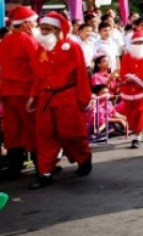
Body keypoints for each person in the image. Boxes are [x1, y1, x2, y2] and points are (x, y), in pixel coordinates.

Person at [27, 12, 93, 188]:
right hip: (45, 98)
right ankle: (45, 173)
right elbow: (37, 76)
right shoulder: (41, 47)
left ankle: (84, 157)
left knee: (71, 134)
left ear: (58, 30)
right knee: (44, 136)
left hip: (68, 98)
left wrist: (84, 98)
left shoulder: (72, 47)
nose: (44, 32)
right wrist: (33, 96)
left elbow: (81, 74)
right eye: (42, 28)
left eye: (47, 29)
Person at [0, 7, 41, 181]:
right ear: (25, 24)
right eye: (34, 21)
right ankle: (42, 167)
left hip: (8, 92)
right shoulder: (29, 41)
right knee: (34, 129)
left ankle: (14, 167)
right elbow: (37, 69)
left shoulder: (4, 42)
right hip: (25, 92)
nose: (36, 24)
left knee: (13, 130)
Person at [117, 29, 143, 149]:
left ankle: (136, 138)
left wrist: (134, 79)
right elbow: (124, 71)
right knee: (131, 112)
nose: (139, 45)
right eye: (137, 42)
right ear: (132, 43)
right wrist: (129, 78)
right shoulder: (126, 56)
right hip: (128, 89)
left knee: (140, 111)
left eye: (142, 42)